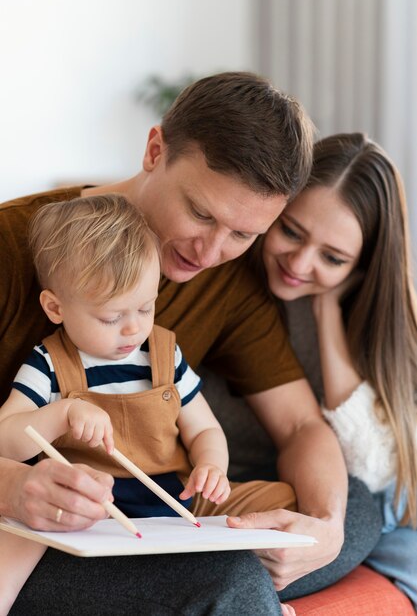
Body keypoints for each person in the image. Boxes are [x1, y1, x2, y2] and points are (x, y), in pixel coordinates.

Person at [0, 72, 381, 614]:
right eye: (201, 214)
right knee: (231, 583)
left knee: (356, 506)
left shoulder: (229, 276)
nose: (210, 252)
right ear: (155, 150)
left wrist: (324, 533)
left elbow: (300, 426)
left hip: (163, 512)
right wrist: (14, 487)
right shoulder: (16, 242)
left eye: (244, 234)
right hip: (50, 529)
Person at [260, 132, 417, 609]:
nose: (300, 264)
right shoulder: (235, 289)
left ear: (363, 267)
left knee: (367, 509)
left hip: (382, 541)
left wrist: (327, 311)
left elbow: (375, 474)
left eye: (332, 257)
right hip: (262, 499)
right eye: (290, 230)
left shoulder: (374, 323)